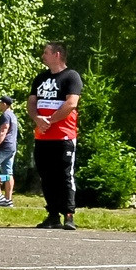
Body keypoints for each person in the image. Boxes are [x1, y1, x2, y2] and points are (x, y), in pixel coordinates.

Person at [30, 43, 84, 231]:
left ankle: (68, 215)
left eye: (46, 52)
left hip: (63, 136)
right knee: (46, 176)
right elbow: (31, 102)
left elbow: (71, 103)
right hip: (42, 137)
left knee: (64, 175)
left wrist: (50, 120)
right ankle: (53, 215)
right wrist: (37, 119)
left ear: (57, 54)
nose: (43, 56)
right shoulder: (40, 78)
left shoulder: (71, 76)